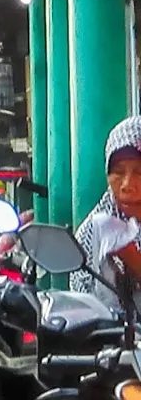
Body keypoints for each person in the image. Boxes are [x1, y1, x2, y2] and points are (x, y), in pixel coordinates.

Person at [71, 115, 141, 310]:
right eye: (118, 172)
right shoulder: (94, 230)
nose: (127, 185)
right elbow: (81, 296)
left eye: (139, 172)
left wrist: (134, 260)